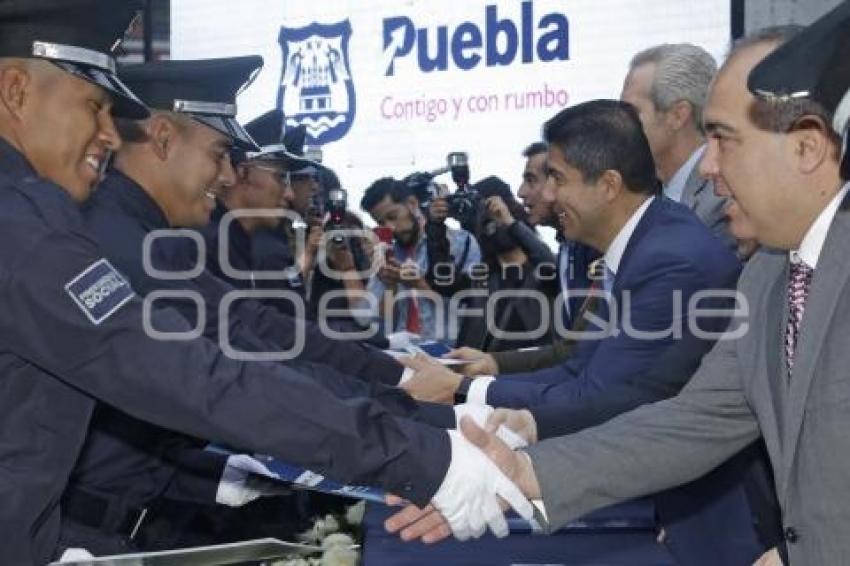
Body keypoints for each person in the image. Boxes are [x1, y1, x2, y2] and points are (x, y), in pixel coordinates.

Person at [0, 5, 529, 562]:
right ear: (15, 90)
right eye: (94, 107)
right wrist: (424, 453)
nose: (108, 134)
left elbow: (244, 337)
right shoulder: (31, 223)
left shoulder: (67, 222)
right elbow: (194, 372)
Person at [388, 14, 850, 565]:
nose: (709, 170)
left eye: (724, 140)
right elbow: (699, 417)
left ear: (807, 147)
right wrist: (527, 473)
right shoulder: (771, 272)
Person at [621, 43, 735, 249]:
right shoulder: (644, 196)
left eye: (631, 112)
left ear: (677, 115)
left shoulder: (723, 197)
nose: (620, 123)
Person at [201, 108, 312, 314]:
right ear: (243, 172)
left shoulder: (233, 241)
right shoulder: (209, 245)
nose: (289, 194)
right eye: (280, 178)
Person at [360, 177, 481, 342]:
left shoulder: (460, 243)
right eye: (381, 222)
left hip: (449, 353)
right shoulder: (387, 255)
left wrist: (420, 284)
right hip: (403, 353)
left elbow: (472, 304)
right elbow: (369, 320)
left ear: (412, 204)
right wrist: (390, 288)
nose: (389, 227)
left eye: (393, 216)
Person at [454, 176, 557, 352]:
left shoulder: (541, 271)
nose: (493, 227)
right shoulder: (482, 279)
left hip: (527, 372)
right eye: (486, 222)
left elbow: (550, 265)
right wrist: (436, 226)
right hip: (478, 372)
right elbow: (438, 283)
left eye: (497, 219)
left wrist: (510, 223)